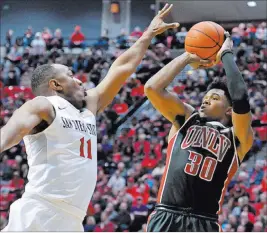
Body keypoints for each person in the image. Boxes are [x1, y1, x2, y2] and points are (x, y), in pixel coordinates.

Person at [0, 4, 179, 231]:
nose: (80, 80)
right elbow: (8, 135)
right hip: (40, 212)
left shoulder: (88, 108)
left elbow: (121, 68)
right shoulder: (43, 105)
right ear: (55, 85)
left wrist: (148, 34)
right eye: (71, 75)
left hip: (73, 219)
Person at [144, 32, 254, 232]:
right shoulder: (187, 119)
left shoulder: (238, 136)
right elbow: (152, 88)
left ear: (229, 110)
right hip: (166, 214)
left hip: (204, 222)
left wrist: (226, 54)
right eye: (205, 96)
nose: (206, 99)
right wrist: (187, 56)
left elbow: (240, 97)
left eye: (214, 97)